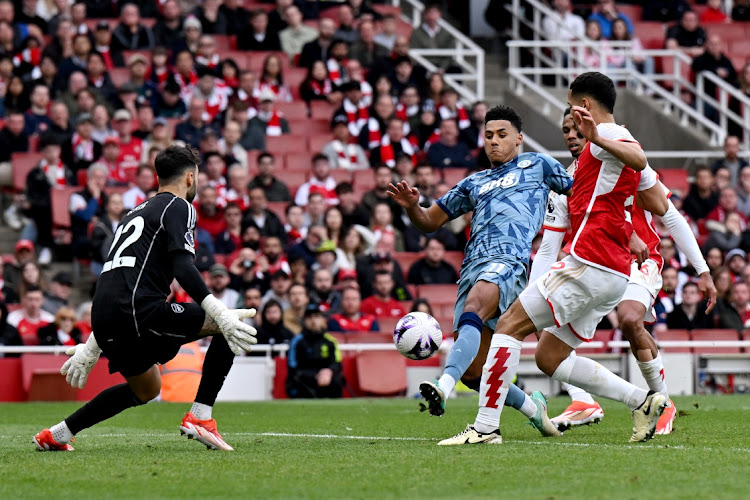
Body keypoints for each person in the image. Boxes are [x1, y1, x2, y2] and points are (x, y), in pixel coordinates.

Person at [429, 73, 674, 446]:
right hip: (610, 269)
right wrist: (628, 228)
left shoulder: (610, 136)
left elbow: (639, 158)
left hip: (590, 262)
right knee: (549, 355)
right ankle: (641, 401)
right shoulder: (589, 159)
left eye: (573, 104)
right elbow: (653, 201)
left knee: (509, 325)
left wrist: (596, 138)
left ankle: (485, 428)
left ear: (585, 106)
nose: (572, 119)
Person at [33, 145, 259, 452]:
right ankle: (201, 416)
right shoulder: (178, 207)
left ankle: (58, 434)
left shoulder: (133, 214)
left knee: (146, 389)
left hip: (105, 317)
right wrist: (216, 307)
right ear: (190, 178)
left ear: (157, 176)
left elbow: (119, 281)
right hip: (139, 313)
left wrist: (92, 345)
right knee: (227, 324)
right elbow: (183, 265)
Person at [387, 104, 573, 438]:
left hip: (510, 261)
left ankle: (444, 385)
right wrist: (414, 207)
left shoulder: (538, 165)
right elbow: (430, 221)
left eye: (502, 135)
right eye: (488, 136)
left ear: (519, 138)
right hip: (471, 267)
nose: (493, 142)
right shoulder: (474, 182)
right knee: (475, 374)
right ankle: (534, 409)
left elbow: (581, 194)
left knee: (474, 309)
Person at [541, 107, 715, 435]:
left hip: (639, 263)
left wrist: (702, 270)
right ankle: (583, 400)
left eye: (578, 128)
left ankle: (662, 403)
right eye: (566, 130)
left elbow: (671, 216)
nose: (572, 136)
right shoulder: (566, 180)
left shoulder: (624, 164)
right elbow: (555, 241)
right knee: (545, 323)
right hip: (593, 264)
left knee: (631, 319)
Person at [286, 304, 343, 398]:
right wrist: (315, 375)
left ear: (323, 320)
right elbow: (293, 367)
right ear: (304, 321)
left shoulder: (331, 341)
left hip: (326, 379)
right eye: (309, 317)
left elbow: (337, 363)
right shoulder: (297, 341)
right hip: (305, 379)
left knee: (337, 379)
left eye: (316, 317)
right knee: (296, 380)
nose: (313, 321)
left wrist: (329, 371)